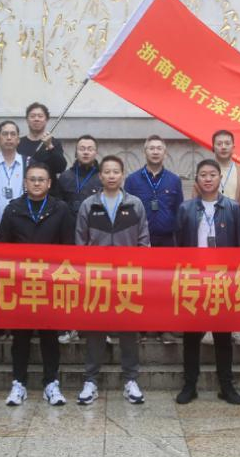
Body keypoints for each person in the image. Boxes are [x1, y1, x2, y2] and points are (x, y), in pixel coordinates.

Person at [0, 162, 75, 407]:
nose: (36, 183)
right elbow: (4, 249)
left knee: (49, 335)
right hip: (21, 284)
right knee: (20, 336)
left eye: (41, 179)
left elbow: (68, 246)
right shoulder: (13, 209)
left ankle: (51, 383)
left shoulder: (60, 209)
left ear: (49, 183)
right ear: (25, 182)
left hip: (50, 283)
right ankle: (18, 383)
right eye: (32, 179)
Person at [76, 155, 150, 406]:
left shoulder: (135, 204)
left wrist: (139, 271)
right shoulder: (89, 205)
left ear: (122, 175)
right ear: (100, 176)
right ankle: (90, 381)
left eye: (115, 171)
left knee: (129, 330)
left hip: (127, 277)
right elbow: (80, 243)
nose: (111, 176)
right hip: (97, 277)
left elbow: (144, 241)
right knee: (95, 330)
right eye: (106, 171)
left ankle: (131, 380)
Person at [173, 159, 240, 406]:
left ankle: (226, 386)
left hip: (222, 280)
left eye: (212, 174)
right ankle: (189, 385)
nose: (207, 178)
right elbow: (178, 246)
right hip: (194, 279)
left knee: (223, 336)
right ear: (196, 179)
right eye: (203, 174)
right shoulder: (185, 209)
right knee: (191, 336)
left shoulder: (233, 208)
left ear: (219, 179)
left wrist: (237, 280)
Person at [194, 130, 240, 346]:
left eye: (227, 143)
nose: (223, 146)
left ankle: (236, 327)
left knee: (235, 281)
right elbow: (194, 203)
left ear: (233, 146)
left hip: (235, 234)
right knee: (209, 281)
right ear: (212, 147)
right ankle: (209, 327)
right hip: (209, 235)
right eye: (219, 143)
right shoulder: (205, 171)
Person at [124, 135, 184, 345]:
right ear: (145, 152)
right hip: (140, 240)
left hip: (166, 241)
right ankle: (139, 327)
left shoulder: (174, 180)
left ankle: (164, 328)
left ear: (165, 152)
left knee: (165, 286)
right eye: (151, 148)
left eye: (159, 148)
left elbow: (179, 211)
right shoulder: (132, 180)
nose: (155, 151)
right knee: (139, 284)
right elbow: (127, 211)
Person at [56, 134, 102, 345]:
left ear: (95, 152)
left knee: (94, 283)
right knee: (70, 284)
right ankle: (69, 326)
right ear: (76, 152)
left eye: (90, 148)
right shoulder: (65, 177)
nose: (85, 152)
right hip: (69, 238)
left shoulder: (102, 176)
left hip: (95, 238)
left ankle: (96, 326)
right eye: (82, 148)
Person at [17, 102, 68, 178]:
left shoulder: (54, 143)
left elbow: (61, 168)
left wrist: (50, 146)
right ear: (27, 120)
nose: (36, 119)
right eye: (32, 116)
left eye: (40, 116)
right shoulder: (18, 142)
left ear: (46, 120)